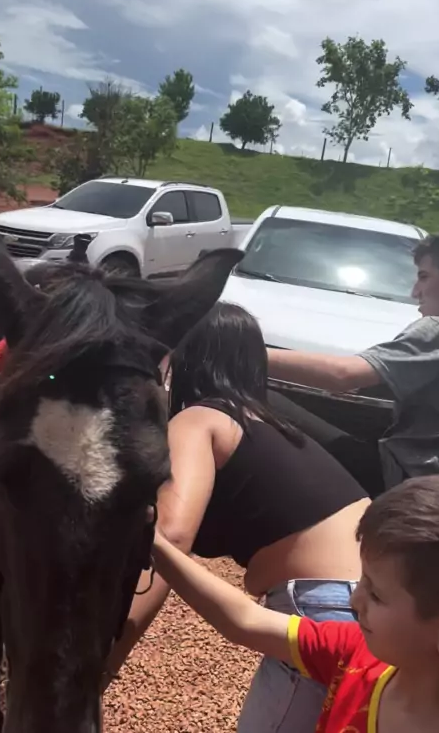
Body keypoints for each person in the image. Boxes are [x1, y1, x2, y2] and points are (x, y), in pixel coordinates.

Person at [106, 302, 370, 732]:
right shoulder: (273, 425)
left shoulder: (199, 419)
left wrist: (107, 659)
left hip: (325, 609)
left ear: (180, 358)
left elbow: (169, 538)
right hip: (378, 603)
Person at [151, 475, 439, 733]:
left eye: (376, 595)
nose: (354, 600)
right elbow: (245, 621)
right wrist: (155, 542)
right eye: (362, 580)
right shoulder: (357, 655)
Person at [268, 229, 439, 490]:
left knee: (262, 398)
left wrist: (241, 349)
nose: (415, 292)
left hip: (402, 479)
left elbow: (343, 376)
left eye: (424, 277)